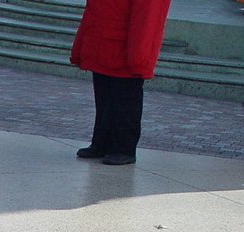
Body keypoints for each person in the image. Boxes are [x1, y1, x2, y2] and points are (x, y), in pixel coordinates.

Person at [70, 0, 172, 166]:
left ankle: (124, 148)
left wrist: (139, 55)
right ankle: (102, 142)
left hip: (125, 48)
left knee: (125, 100)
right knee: (104, 97)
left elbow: (147, 18)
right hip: (103, 40)